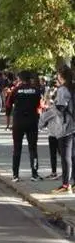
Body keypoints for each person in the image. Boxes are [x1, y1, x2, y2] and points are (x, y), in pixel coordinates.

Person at [8, 70, 43, 182]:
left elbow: (8, 104)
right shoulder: (36, 90)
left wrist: (8, 118)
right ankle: (34, 174)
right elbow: (39, 105)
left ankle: (15, 175)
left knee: (17, 148)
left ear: (20, 79)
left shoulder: (16, 90)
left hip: (18, 122)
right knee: (33, 148)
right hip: (32, 121)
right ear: (30, 79)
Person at [51, 66, 75, 194]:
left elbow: (60, 108)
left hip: (66, 126)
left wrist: (50, 106)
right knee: (74, 155)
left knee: (66, 156)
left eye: (57, 76)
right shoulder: (73, 87)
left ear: (61, 77)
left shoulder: (62, 90)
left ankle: (66, 184)